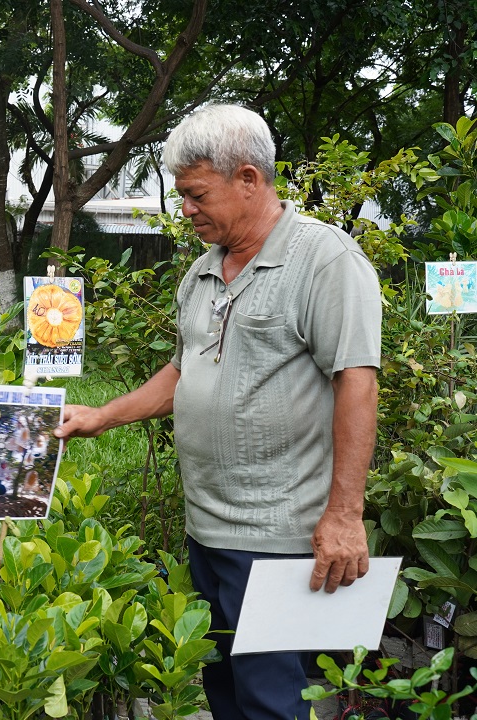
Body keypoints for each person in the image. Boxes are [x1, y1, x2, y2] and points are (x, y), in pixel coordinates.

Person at [54, 104, 380, 720]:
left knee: (271, 701)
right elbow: (185, 370)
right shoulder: (202, 273)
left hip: (280, 539)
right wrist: (102, 415)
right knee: (225, 692)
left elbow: (356, 383)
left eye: (197, 193)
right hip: (207, 532)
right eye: (183, 195)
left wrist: (344, 515)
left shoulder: (324, 260)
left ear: (250, 179)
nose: (186, 209)